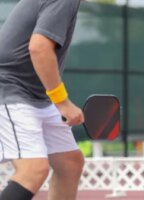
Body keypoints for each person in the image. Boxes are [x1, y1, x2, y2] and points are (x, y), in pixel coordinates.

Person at [0, 0, 85, 199]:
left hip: (36, 96)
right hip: (9, 89)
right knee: (33, 170)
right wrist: (62, 102)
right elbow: (39, 47)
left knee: (70, 163)